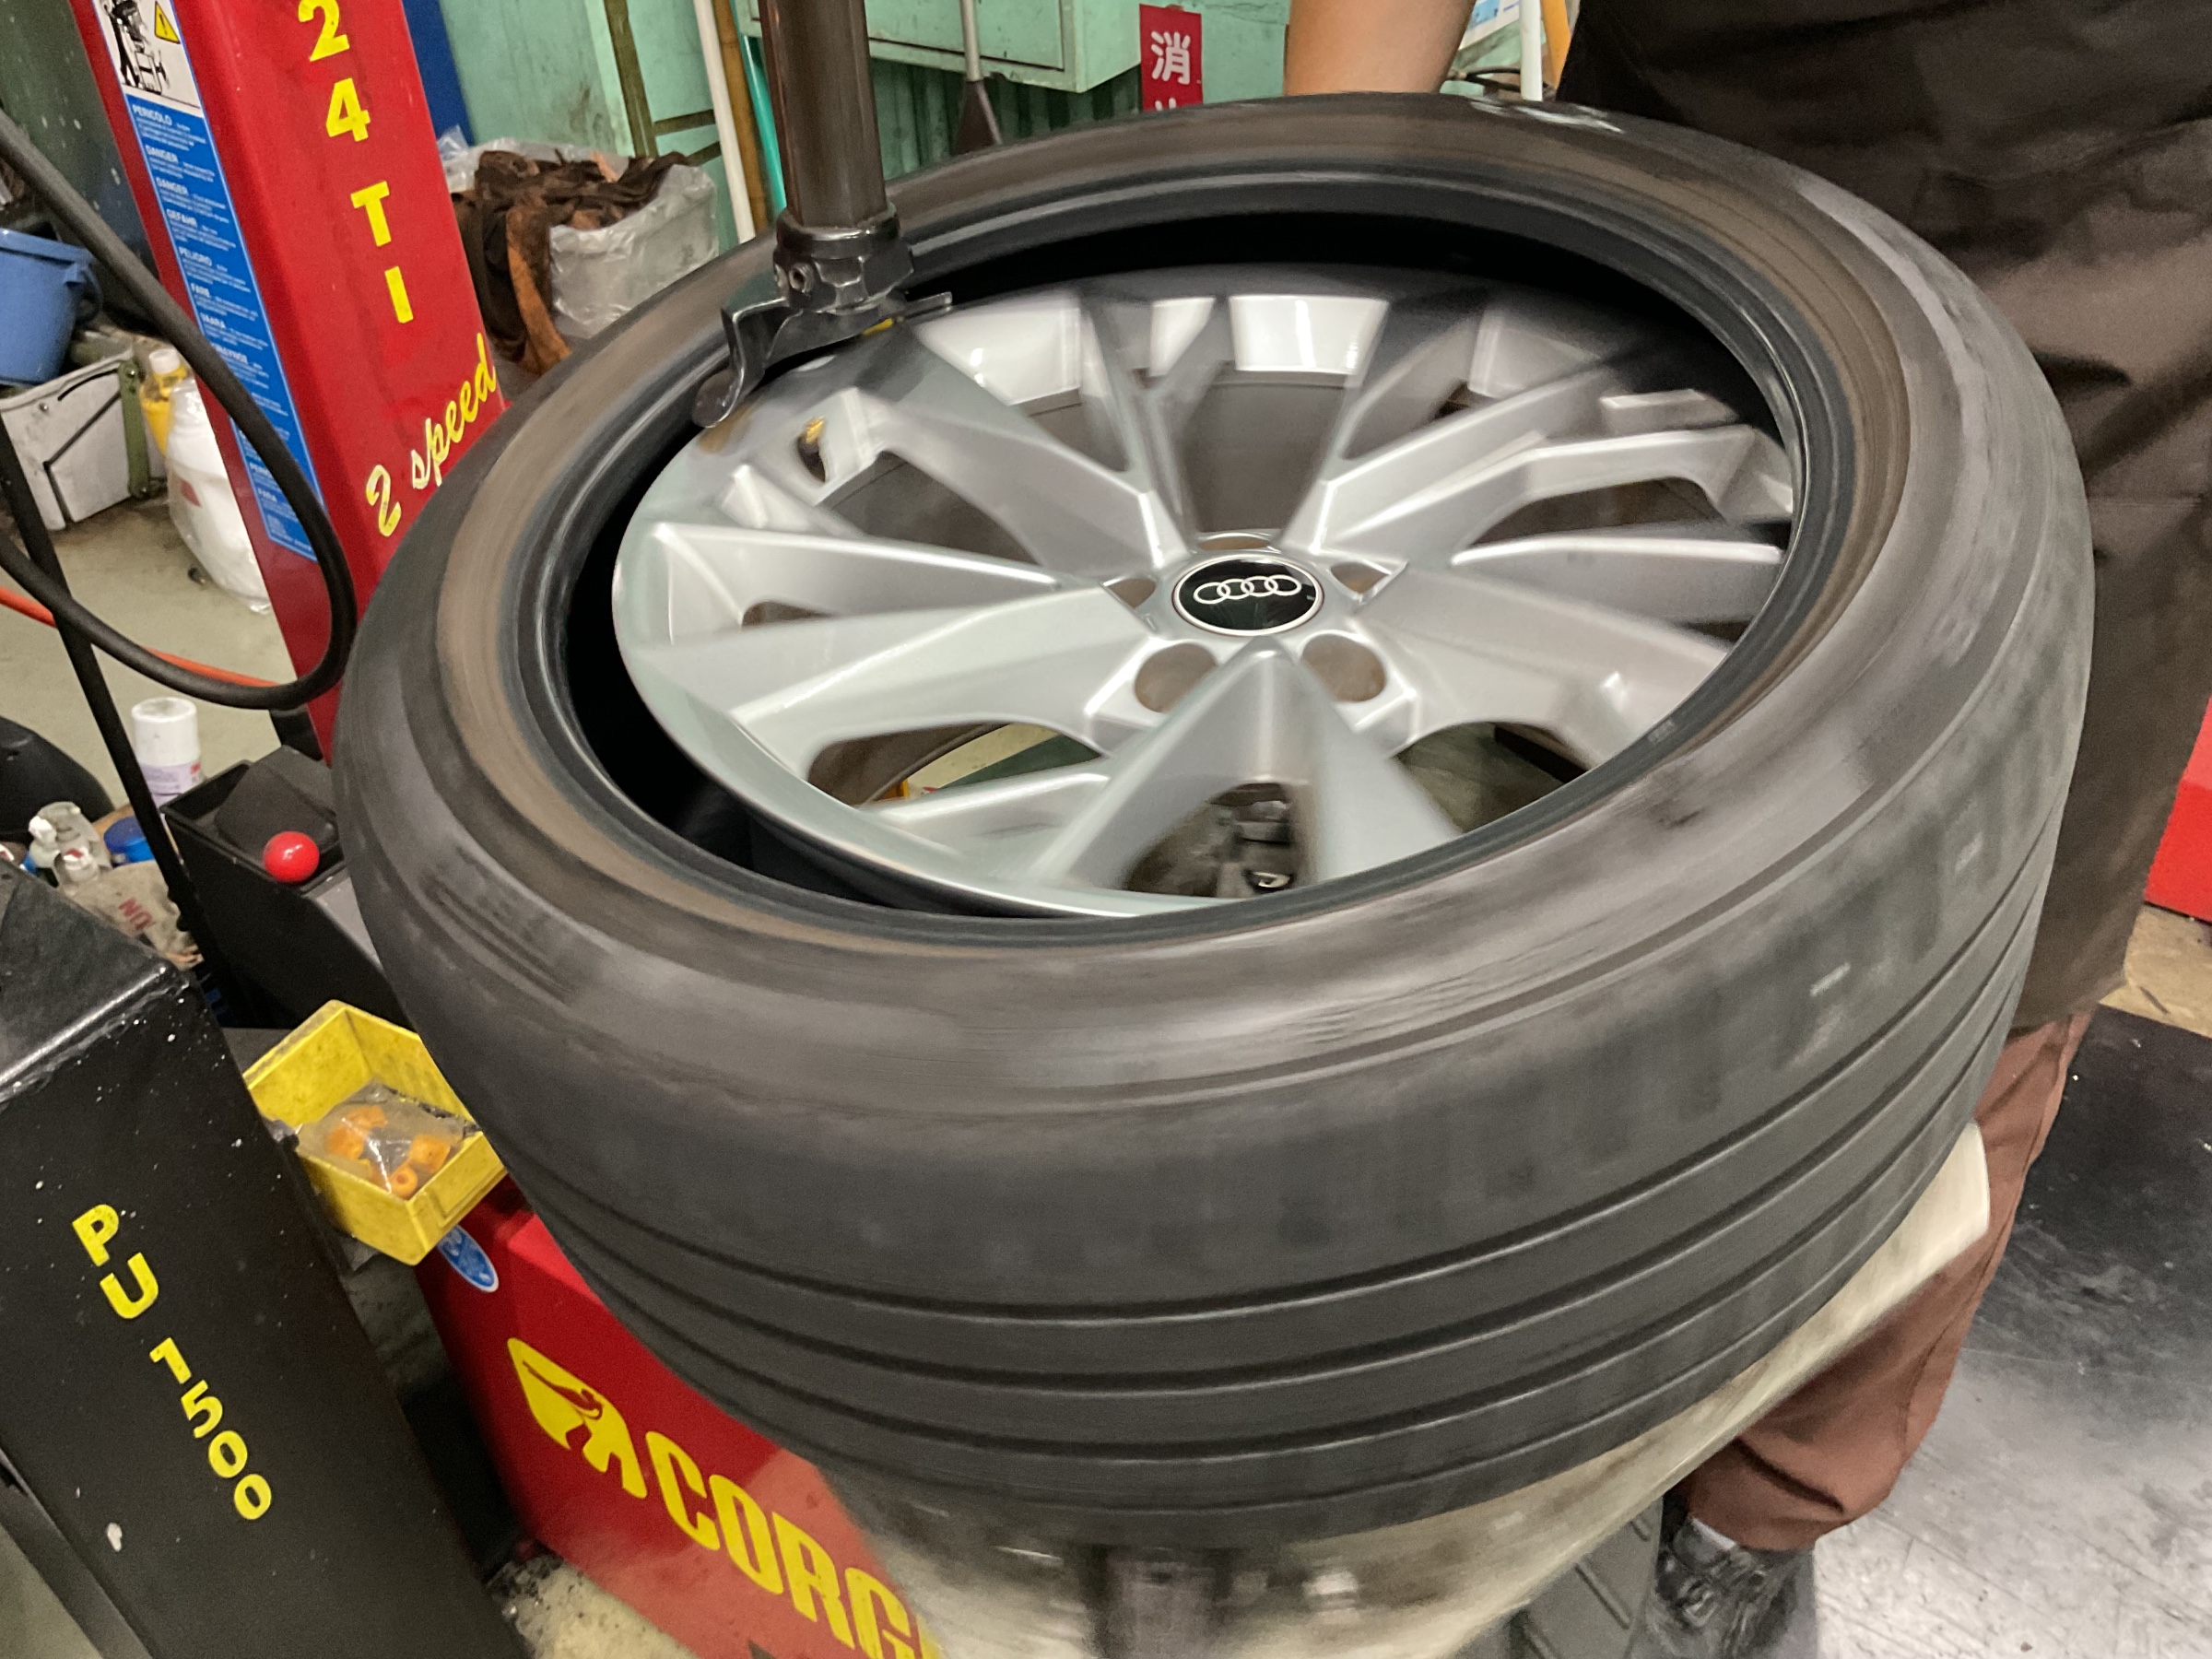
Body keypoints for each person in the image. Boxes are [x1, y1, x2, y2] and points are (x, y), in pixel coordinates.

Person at [1282, 2, 2212, 1654]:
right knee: (1512, 917)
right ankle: (1465, 1451)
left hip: (2118, 305)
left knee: (1966, 1012)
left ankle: (1746, 1527)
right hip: (1670, 257)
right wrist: (1306, 290)